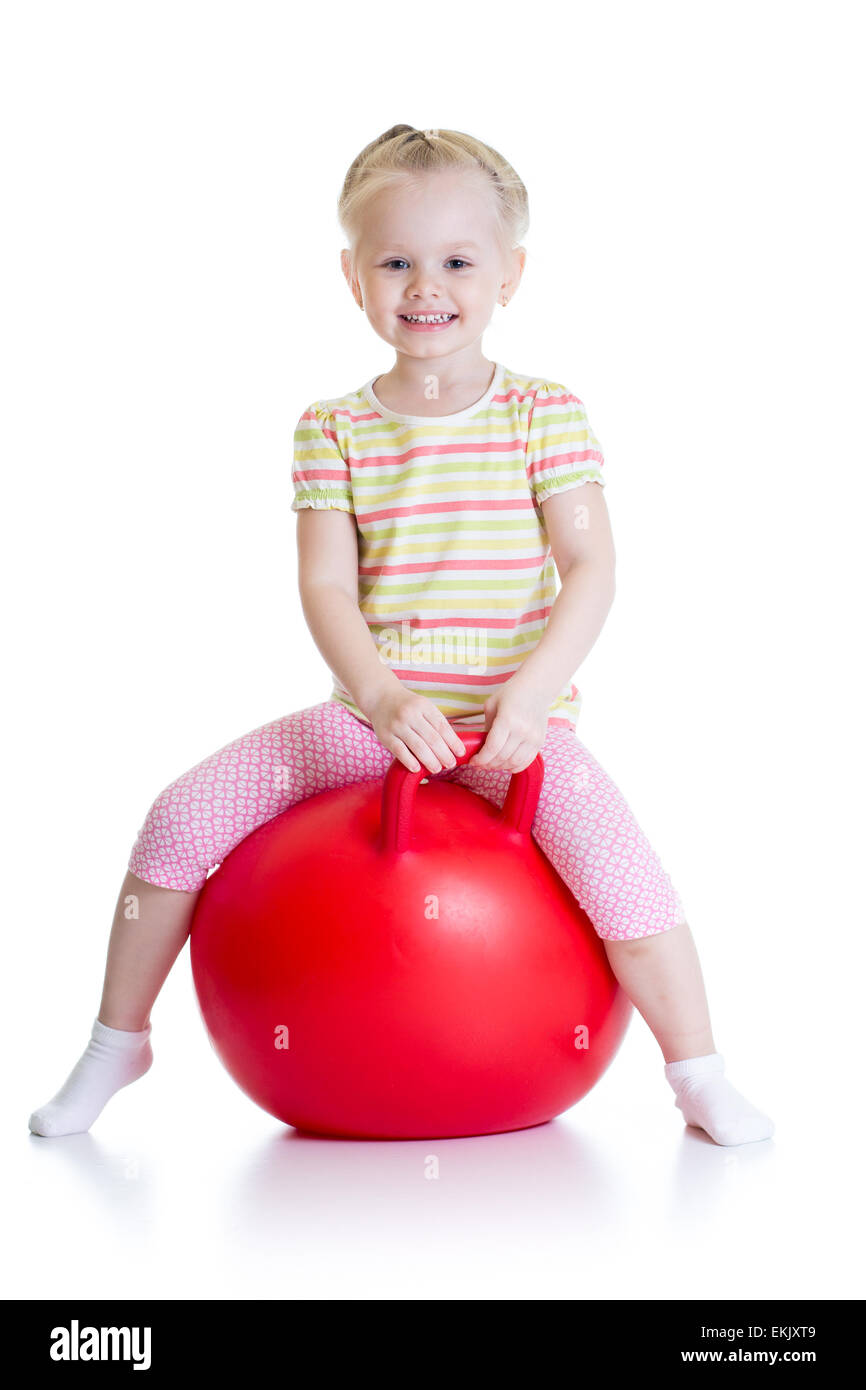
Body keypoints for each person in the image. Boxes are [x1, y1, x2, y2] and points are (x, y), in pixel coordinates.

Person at [29, 124, 773, 1146]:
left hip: (518, 738)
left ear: (510, 272)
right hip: (375, 722)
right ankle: (118, 1040)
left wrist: (527, 698)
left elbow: (592, 568)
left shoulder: (544, 413)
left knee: (628, 885)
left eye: (457, 260)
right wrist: (380, 696)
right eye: (394, 261)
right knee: (177, 820)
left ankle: (696, 1072)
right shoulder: (330, 428)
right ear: (352, 277)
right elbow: (325, 584)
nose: (425, 284)